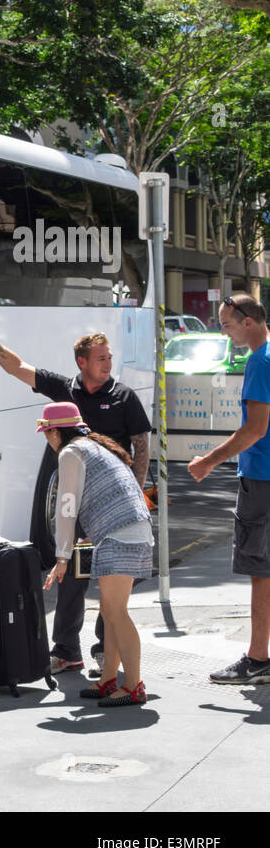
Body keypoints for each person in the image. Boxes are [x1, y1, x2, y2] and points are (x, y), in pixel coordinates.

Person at [0, 317, 151, 677]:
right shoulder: (66, 391)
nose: (108, 364)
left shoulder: (123, 396)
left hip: (107, 508)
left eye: (109, 358)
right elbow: (16, 366)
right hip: (77, 506)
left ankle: (104, 652)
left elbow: (141, 446)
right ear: (82, 362)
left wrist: (133, 495)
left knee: (110, 588)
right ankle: (66, 650)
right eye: (101, 358)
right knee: (71, 579)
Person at [39, 402, 150, 706]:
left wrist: (62, 557)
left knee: (116, 613)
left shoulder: (71, 453)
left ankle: (133, 686)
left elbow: (66, 507)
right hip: (132, 530)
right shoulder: (96, 447)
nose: (48, 440)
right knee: (110, 611)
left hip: (119, 534)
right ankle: (108, 680)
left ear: (55, 432)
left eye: (47, 433)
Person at [188, 293, 270, 685]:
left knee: (261, 570)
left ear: (248, 321)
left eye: (227, 325)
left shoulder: (260, 361)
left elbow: (255, 429)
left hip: (261, 478)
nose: (224, 331)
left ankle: (257, 659)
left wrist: (208, 461)